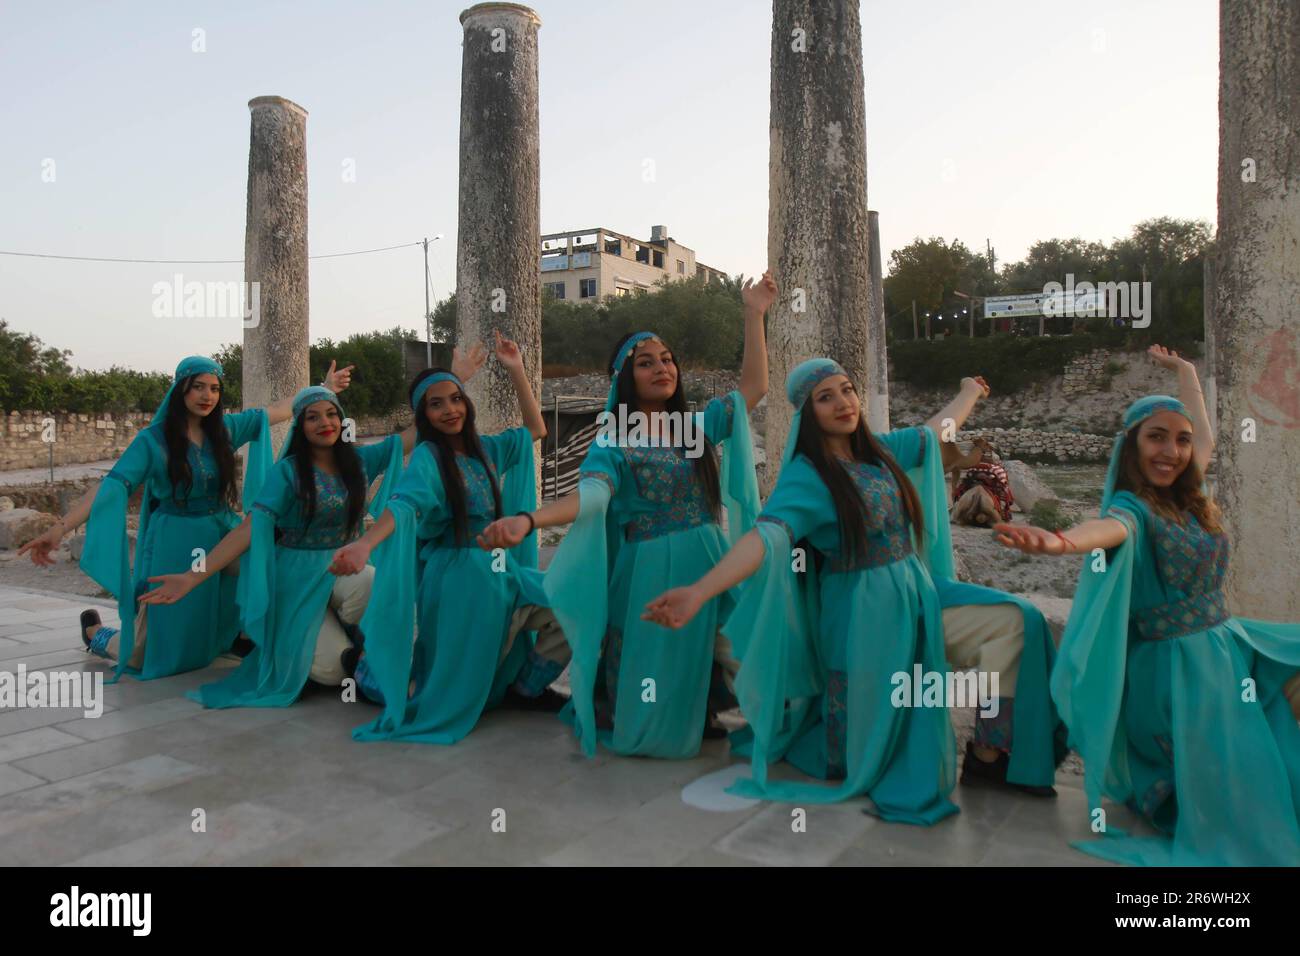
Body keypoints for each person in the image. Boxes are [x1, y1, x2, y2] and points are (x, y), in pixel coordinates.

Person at [644, 359, 1066, 819]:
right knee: (862, 747)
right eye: (826, 397)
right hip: (865, 614)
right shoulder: (809, 476)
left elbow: (932, 431)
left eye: (847, 390)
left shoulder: (877, 452)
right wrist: (700, 591)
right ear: (809, 414)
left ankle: (988, 756)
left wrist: (968, 392)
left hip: (918, 591)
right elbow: (765, 537)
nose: (843, 402)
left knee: (1016, 621)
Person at [994, 344, 1300, 865]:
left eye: (1179, 441)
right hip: (1177, 672)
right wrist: (1061, 541)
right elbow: (1108, 530)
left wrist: (1186, 373)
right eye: (1156, 437)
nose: (1172, 451)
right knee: (1241, 803)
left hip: (1226, 644)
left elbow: (1204, 436)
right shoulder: (1131, 507)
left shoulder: (1188, 495)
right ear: (1131, 445)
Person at [478, 271, 777, 758]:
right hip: (650, 571)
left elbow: (754, 389)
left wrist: (753, 313)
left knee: (745, 650)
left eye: (666, 359)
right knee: (648, 720)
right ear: (625, 377)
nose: (662, 368)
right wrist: (531, 519)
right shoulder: (613, 440)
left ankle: (766, 723)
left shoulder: (694, 426)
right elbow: (592, 498)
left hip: (712, 561)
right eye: (645, 363)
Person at [20, 356, 350, 679]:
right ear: (181, 390)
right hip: (174, 540)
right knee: (146, 655)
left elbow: (279, 410)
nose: (208, 396)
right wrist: (59, 529)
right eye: (198, 387)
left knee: (264, 560)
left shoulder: (225, 429)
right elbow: (110, 487)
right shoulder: (153, 440)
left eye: (214, 389)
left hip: (221, 530)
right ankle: (95, 633)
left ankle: (245, 635)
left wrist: (322, 388)